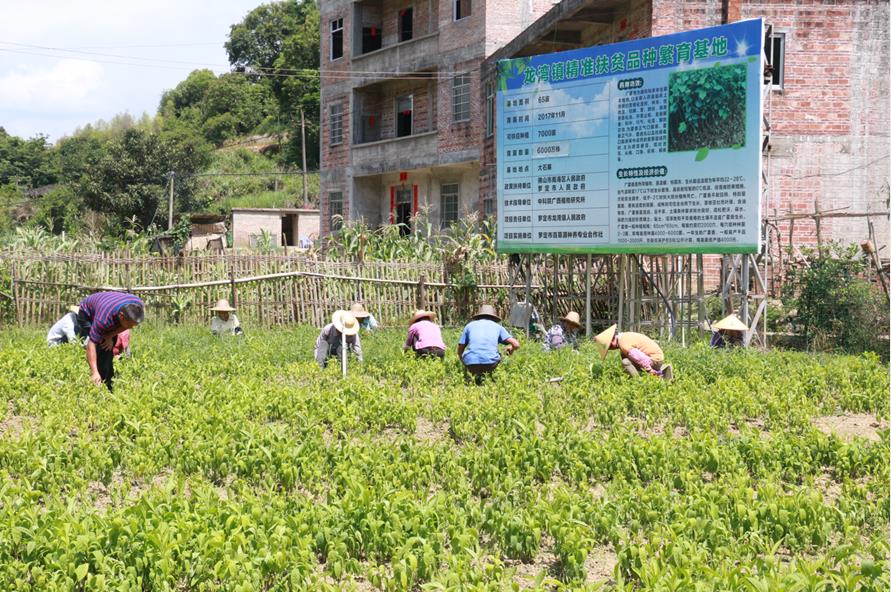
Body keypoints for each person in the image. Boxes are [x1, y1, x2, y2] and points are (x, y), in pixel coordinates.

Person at [75, 291, 144, 391]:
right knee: (101, 345)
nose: (132, 328)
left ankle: (108, 379)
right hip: (86, 313)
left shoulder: (137, 305)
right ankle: (101, 382)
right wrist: (94, 371)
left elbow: (124, 325)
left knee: (109, 343)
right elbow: (91, 344)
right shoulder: (103, 320)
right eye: (130, 325)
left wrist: (110, 336)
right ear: (121, 317)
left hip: (109, 307)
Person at [457, 304, 521, 384]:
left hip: (471, 363)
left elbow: (460, 349)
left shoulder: (469, 326)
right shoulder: (498, 327)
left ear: (479, 316)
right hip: (490, 364)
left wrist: (463, 361)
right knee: (501, 353)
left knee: (467, 355)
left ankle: (472, 377)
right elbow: (516, 344)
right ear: (493, 317)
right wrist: (510, 350)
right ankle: (490, 378)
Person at [595, 324, 673, 380]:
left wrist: (650, 370)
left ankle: (638, 382)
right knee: (625, 358)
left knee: (625, 362)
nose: (611, 349)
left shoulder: (624, 344)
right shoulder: (623, 337)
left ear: (611, 341)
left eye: (609, 347)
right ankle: (664, 368)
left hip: (654, 360)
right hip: (656, 358)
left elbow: (639, 358)